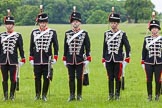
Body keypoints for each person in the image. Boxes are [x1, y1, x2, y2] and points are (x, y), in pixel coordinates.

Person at [29, 5, 59, 101]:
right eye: (41, 22)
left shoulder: (52, 32)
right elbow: (31, 46)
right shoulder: (34, 33)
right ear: (38, 23)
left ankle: (44, 95)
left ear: (47, 22)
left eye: (44, 22)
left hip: (47, 59)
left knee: (47, 77)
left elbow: (56, 45)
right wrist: (31, 57)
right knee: (37, 78)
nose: (43, 24)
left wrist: (55, 57)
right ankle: (37, 94)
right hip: (37, 59)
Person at [62, 6, 91, 102]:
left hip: (80, 59)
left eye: (77, 21)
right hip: (70, 59)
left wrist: (87, 58)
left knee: (79, 78)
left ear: (80, 22)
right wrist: (64, 58)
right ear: (71, 22)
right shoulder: (67, 33)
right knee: (71, 78)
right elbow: (65, 47)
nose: (75, 23)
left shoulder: (84, 34)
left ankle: (79, 95)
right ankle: (71, 95)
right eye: (73, 21)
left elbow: (87, 47)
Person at [102, 7, 131, 100]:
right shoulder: (106, 33)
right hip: (108, 58)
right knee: (110, 77)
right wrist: (103, 58)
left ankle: (117, 95)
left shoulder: (122, 34)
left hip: (118, 58)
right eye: (111, 23)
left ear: (118, 24)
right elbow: (104, 47)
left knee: (117, 77)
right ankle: (110, 95)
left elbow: (127, 46)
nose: (113, 24)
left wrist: (127, 58)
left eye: (115, 23)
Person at [0, 9, 26, 101]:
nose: (9, 26)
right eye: (7, 24)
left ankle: (11, 96)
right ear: (5, 25)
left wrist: (23, 58)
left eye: (10, 24)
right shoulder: (1, 35)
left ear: (13, 24)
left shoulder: (17, 35)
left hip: (13, 60)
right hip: (3, 60)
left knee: (13, 78)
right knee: (4, 79)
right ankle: (5, 96)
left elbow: (21, 48)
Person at [141, 14, 162, 101]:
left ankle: (157, 95)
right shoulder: (146, 39)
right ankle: (149, 96)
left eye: (156, 28)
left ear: (158, 29)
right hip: (148, 62)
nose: (154, 30)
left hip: (159, 62)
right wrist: (143, 61)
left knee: (158, 80)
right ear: (150, 29)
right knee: (149, 79)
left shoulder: (161, 39)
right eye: (152, 28)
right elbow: (144, 51)